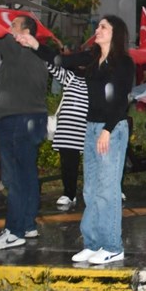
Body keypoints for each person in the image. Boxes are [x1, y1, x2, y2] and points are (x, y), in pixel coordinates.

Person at [20, 15, 135, 265]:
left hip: (111, 129)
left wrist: (107, 129)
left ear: (116, 33)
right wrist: (35, 45)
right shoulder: (92, 58)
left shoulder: (124, 63)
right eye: (99, 26)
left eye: (104, 26)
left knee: (107, 189)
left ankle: (113, 246)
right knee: (91, 189)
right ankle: (93, 244)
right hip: (91, 128)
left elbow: (120, 100)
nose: (98, 30)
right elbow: (62, 60)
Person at [0, 15, 50, 250]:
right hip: (32, 119)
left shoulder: (18, 46)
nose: (9, 29)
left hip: (15, 120)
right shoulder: (38, 54)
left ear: (25, 32)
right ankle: (27, 223)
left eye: (13, 25)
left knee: (15, 178)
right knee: (27, 174)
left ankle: (14, 230)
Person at [46, 60, 89, 210]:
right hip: (67, 129)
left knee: (91, 164)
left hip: (86, 129)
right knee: (68, 164)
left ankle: (93, 193)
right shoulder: (70, 77)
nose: (82, 66)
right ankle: (69, 193)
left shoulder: (96, 80)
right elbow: (51, 66)